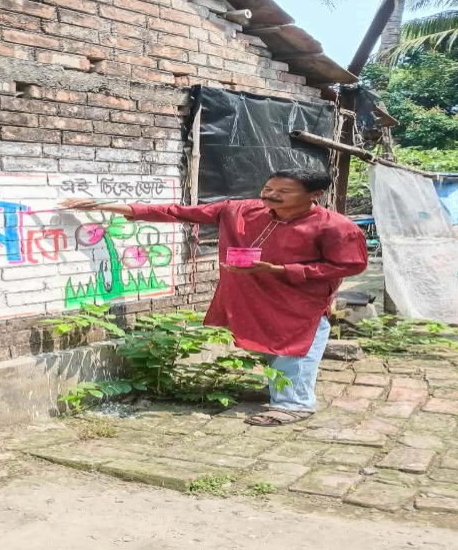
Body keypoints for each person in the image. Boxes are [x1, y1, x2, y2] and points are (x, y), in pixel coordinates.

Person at [59, 169, 368, 426]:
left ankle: (296, 404)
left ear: (313, 195)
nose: (270, 195)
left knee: (296, 351)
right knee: (271, 348)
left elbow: (350, 265)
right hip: (254, 296)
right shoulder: (241, 210)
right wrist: (112, 206)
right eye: (268, 187)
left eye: (282, 192)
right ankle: (280, 389)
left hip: (299, 302)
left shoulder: (336, 227)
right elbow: (178, 212)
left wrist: (280, 269)